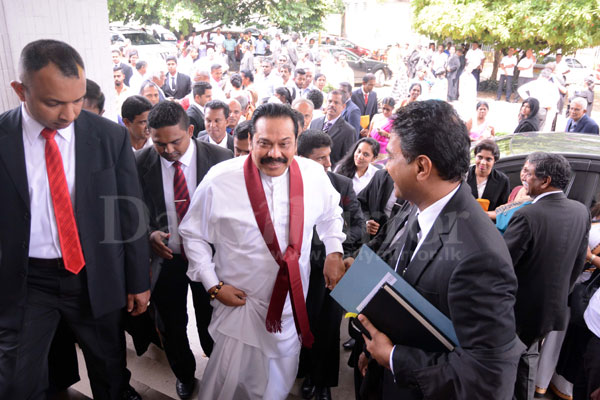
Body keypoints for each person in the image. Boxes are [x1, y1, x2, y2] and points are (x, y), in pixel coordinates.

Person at [0, 38, 151, 399]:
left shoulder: (108, 136)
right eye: (53, 103)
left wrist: (138, 279)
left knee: (110, 370)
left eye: (77, 100)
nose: (68, 114)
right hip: (26, 281)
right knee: (15, 381)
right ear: (21, 90)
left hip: (92, 275)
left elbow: (128, 214)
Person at [354, 100, 523, 399]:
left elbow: (487, 376)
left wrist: (393, 358)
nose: (384, 165)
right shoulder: (418, 204)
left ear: (421, 167)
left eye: (391, 156)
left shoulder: (480, 258)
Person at [179, 103, 346, 400]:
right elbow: (192, 234)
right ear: (250, 140)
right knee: (232, 384)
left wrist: (333, 250)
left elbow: (331, 213)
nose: (275, 154)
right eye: (264, 144)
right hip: (240, 304)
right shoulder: (220, 180)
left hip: (292, 305)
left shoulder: (313, 176)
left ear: (297, 140)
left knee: (279, 379)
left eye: (285, 144)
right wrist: (213, 286)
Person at [136, 101, 232, 399]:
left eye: (175, 141)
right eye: (158, 143)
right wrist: (148, 233)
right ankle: (184, 374)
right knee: (172, 324)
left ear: (191, 130)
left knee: (211, 320)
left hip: (211, 261)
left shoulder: (220, 158)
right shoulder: (139, 163)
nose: (167, 150)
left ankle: (217, 371)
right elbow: (132, 213)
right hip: (167, 261)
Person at [503, 152, 590, 400]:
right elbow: (577, 264)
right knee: (527, 359)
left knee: (507, 367)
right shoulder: (580, 211)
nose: (523, 177)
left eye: (528, 172)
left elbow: (502, 267)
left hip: (517, 314)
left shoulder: (528, 215)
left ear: (545, 180)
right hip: (550, 312)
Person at [296, 130, 365, 400]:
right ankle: (301, 369)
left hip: (331, 272)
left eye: (328, 156)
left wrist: (334, 247)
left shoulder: (342, 185)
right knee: (301, 325)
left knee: (326, 328)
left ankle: (322, 382)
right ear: (300, 159)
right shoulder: (286, 185)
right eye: (319, 158)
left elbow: (360, 226)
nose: (327, 164)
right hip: (295, 273)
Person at [309, 90, 357, 166]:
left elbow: (347, 160)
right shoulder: (314, 123)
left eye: (336, 102)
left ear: (343, 107)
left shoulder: (349, 131)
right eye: (330, 101)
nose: (332, 105)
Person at [465, 139, 510, 211]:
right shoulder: (464, 176)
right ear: (475, 156)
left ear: (494, 161)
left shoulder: (502, 180)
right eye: (480, 157)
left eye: (488, 159)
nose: (483, 162)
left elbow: (503, 210)